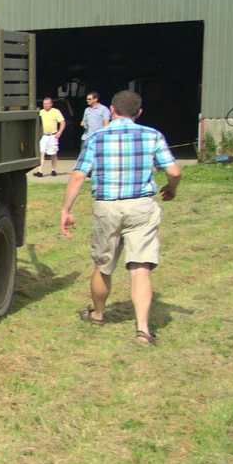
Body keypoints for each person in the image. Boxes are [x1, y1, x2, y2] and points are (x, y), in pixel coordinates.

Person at [61, 89, 182, 346]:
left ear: (112, 110)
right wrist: (171, 188)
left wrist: (66, 210)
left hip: (107, 207)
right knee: (140, 268)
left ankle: (98, 314)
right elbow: (174, 170)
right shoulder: (152, 135)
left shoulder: (96, 137)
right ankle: (143, 330)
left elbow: (78, 176)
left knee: (104, 265)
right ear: (139, 113)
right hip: (141, 207)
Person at [36, 97, 65, 177]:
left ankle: (53, 169)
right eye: (44, 104)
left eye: (48, 103)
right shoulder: (40, 112)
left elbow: (62, 122)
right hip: (44, 136)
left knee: (53, 153)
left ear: (51, 104)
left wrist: (59, 132)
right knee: (42, 153)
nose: (46, 105)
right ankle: (40, 171)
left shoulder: (56, 112)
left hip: (53, 136)